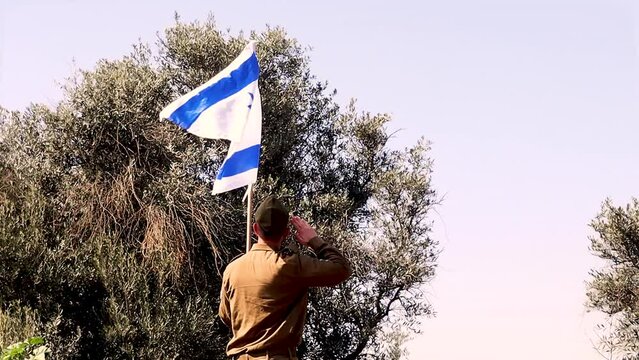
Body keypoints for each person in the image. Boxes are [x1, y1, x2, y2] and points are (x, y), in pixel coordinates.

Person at [219, 195, 352, 359]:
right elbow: (341, 268)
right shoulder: (290, 265)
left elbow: (226, 316)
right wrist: (314, 240)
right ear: (287, 232)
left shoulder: (232, 269)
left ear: (255, 228)